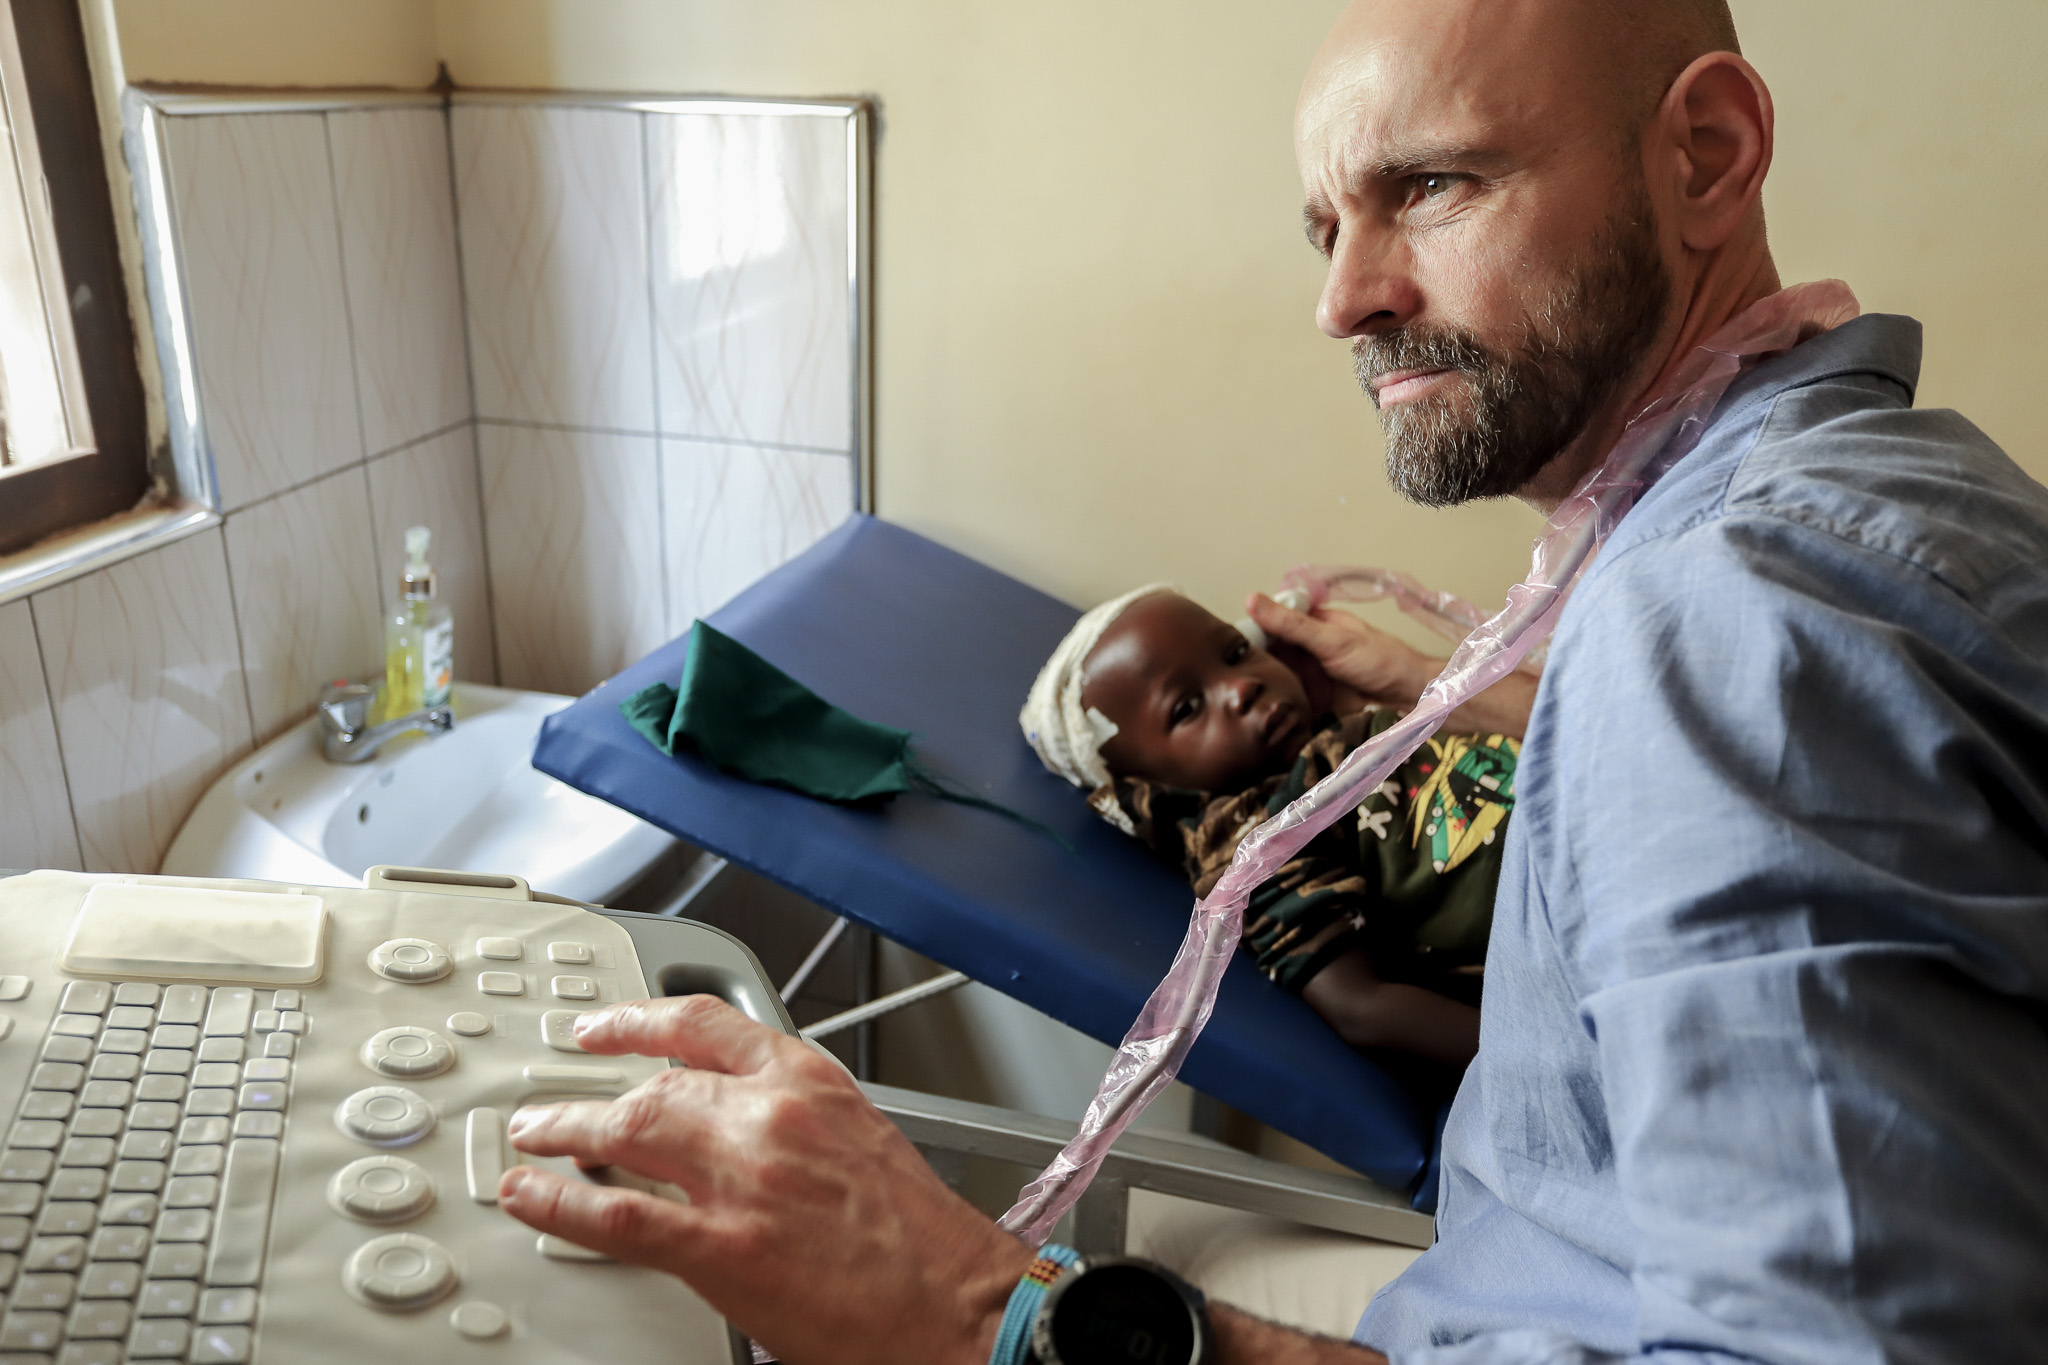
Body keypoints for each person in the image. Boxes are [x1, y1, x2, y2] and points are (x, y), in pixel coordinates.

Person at [495, 0, 2048, 1361]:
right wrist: (1463, 692)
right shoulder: (1866, 493)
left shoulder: (1727, 634)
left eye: (1429, 187)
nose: (1343, 299)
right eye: (1325, 227)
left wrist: (978, 1312)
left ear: (1707, 154)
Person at [1018, 584, 1522, 1066]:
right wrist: (1541, 1052)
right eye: (1186, 708)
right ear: (1150, 792)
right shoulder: (1260, 847)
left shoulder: (1338, 734)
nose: (1242, 687)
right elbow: (1360, 1008)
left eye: (1236, 652)